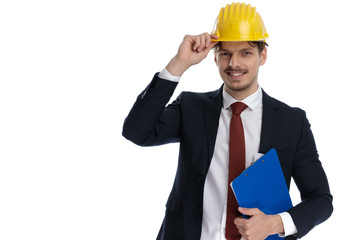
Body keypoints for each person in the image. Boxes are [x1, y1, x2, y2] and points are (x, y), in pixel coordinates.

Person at [122, 2, 333, 240]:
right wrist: (179, 64)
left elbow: (321, 200)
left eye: (245, 52)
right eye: (225, 54)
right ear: (215, 58)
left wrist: (275, 224)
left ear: (262, 55)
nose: (234, 64)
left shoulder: (292, 121)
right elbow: (136, 131)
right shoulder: (191, 107)